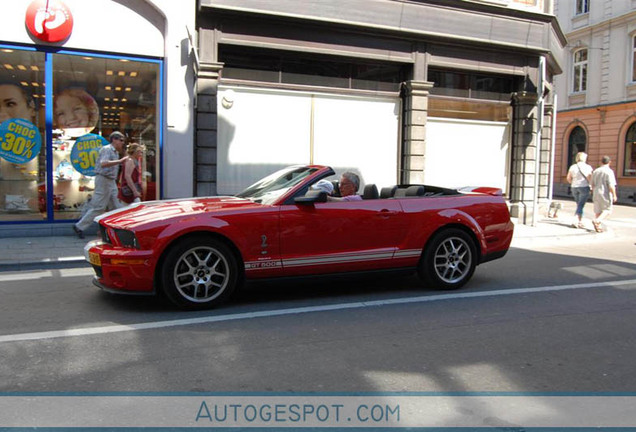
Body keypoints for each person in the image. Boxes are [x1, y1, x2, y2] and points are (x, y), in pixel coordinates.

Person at [73, 131, 128, 238]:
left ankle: (114, 230)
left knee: (116, 206)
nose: (122, 143)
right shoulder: (107, 149)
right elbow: (104, 163)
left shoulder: (115, 152)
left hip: (110, 181)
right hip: (103, 180)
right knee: (99, 207)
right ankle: (79, 226)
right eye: (121, 140)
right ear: (114, 140)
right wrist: (120, 161)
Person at [566, 151, 593, 228]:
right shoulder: (588, 167)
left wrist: (573, 183)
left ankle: (580, 221)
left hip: (574, 187)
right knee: (581, 205)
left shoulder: (572, 167)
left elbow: (568, 178)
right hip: (584, 187)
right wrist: (591, 186)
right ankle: (575, 220)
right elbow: (589, 178)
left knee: (579, 205)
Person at [591, 155, 617, 233]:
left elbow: (592, 184)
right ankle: (597, 221)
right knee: (607, 210)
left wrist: (593, 191)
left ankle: (598, 227)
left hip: (596, 192)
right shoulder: (609, 171)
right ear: (609, 162)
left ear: (601, 162)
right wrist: (614, 195)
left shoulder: (596, 171)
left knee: (598, 210)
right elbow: (611, 185)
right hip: (605, 193)